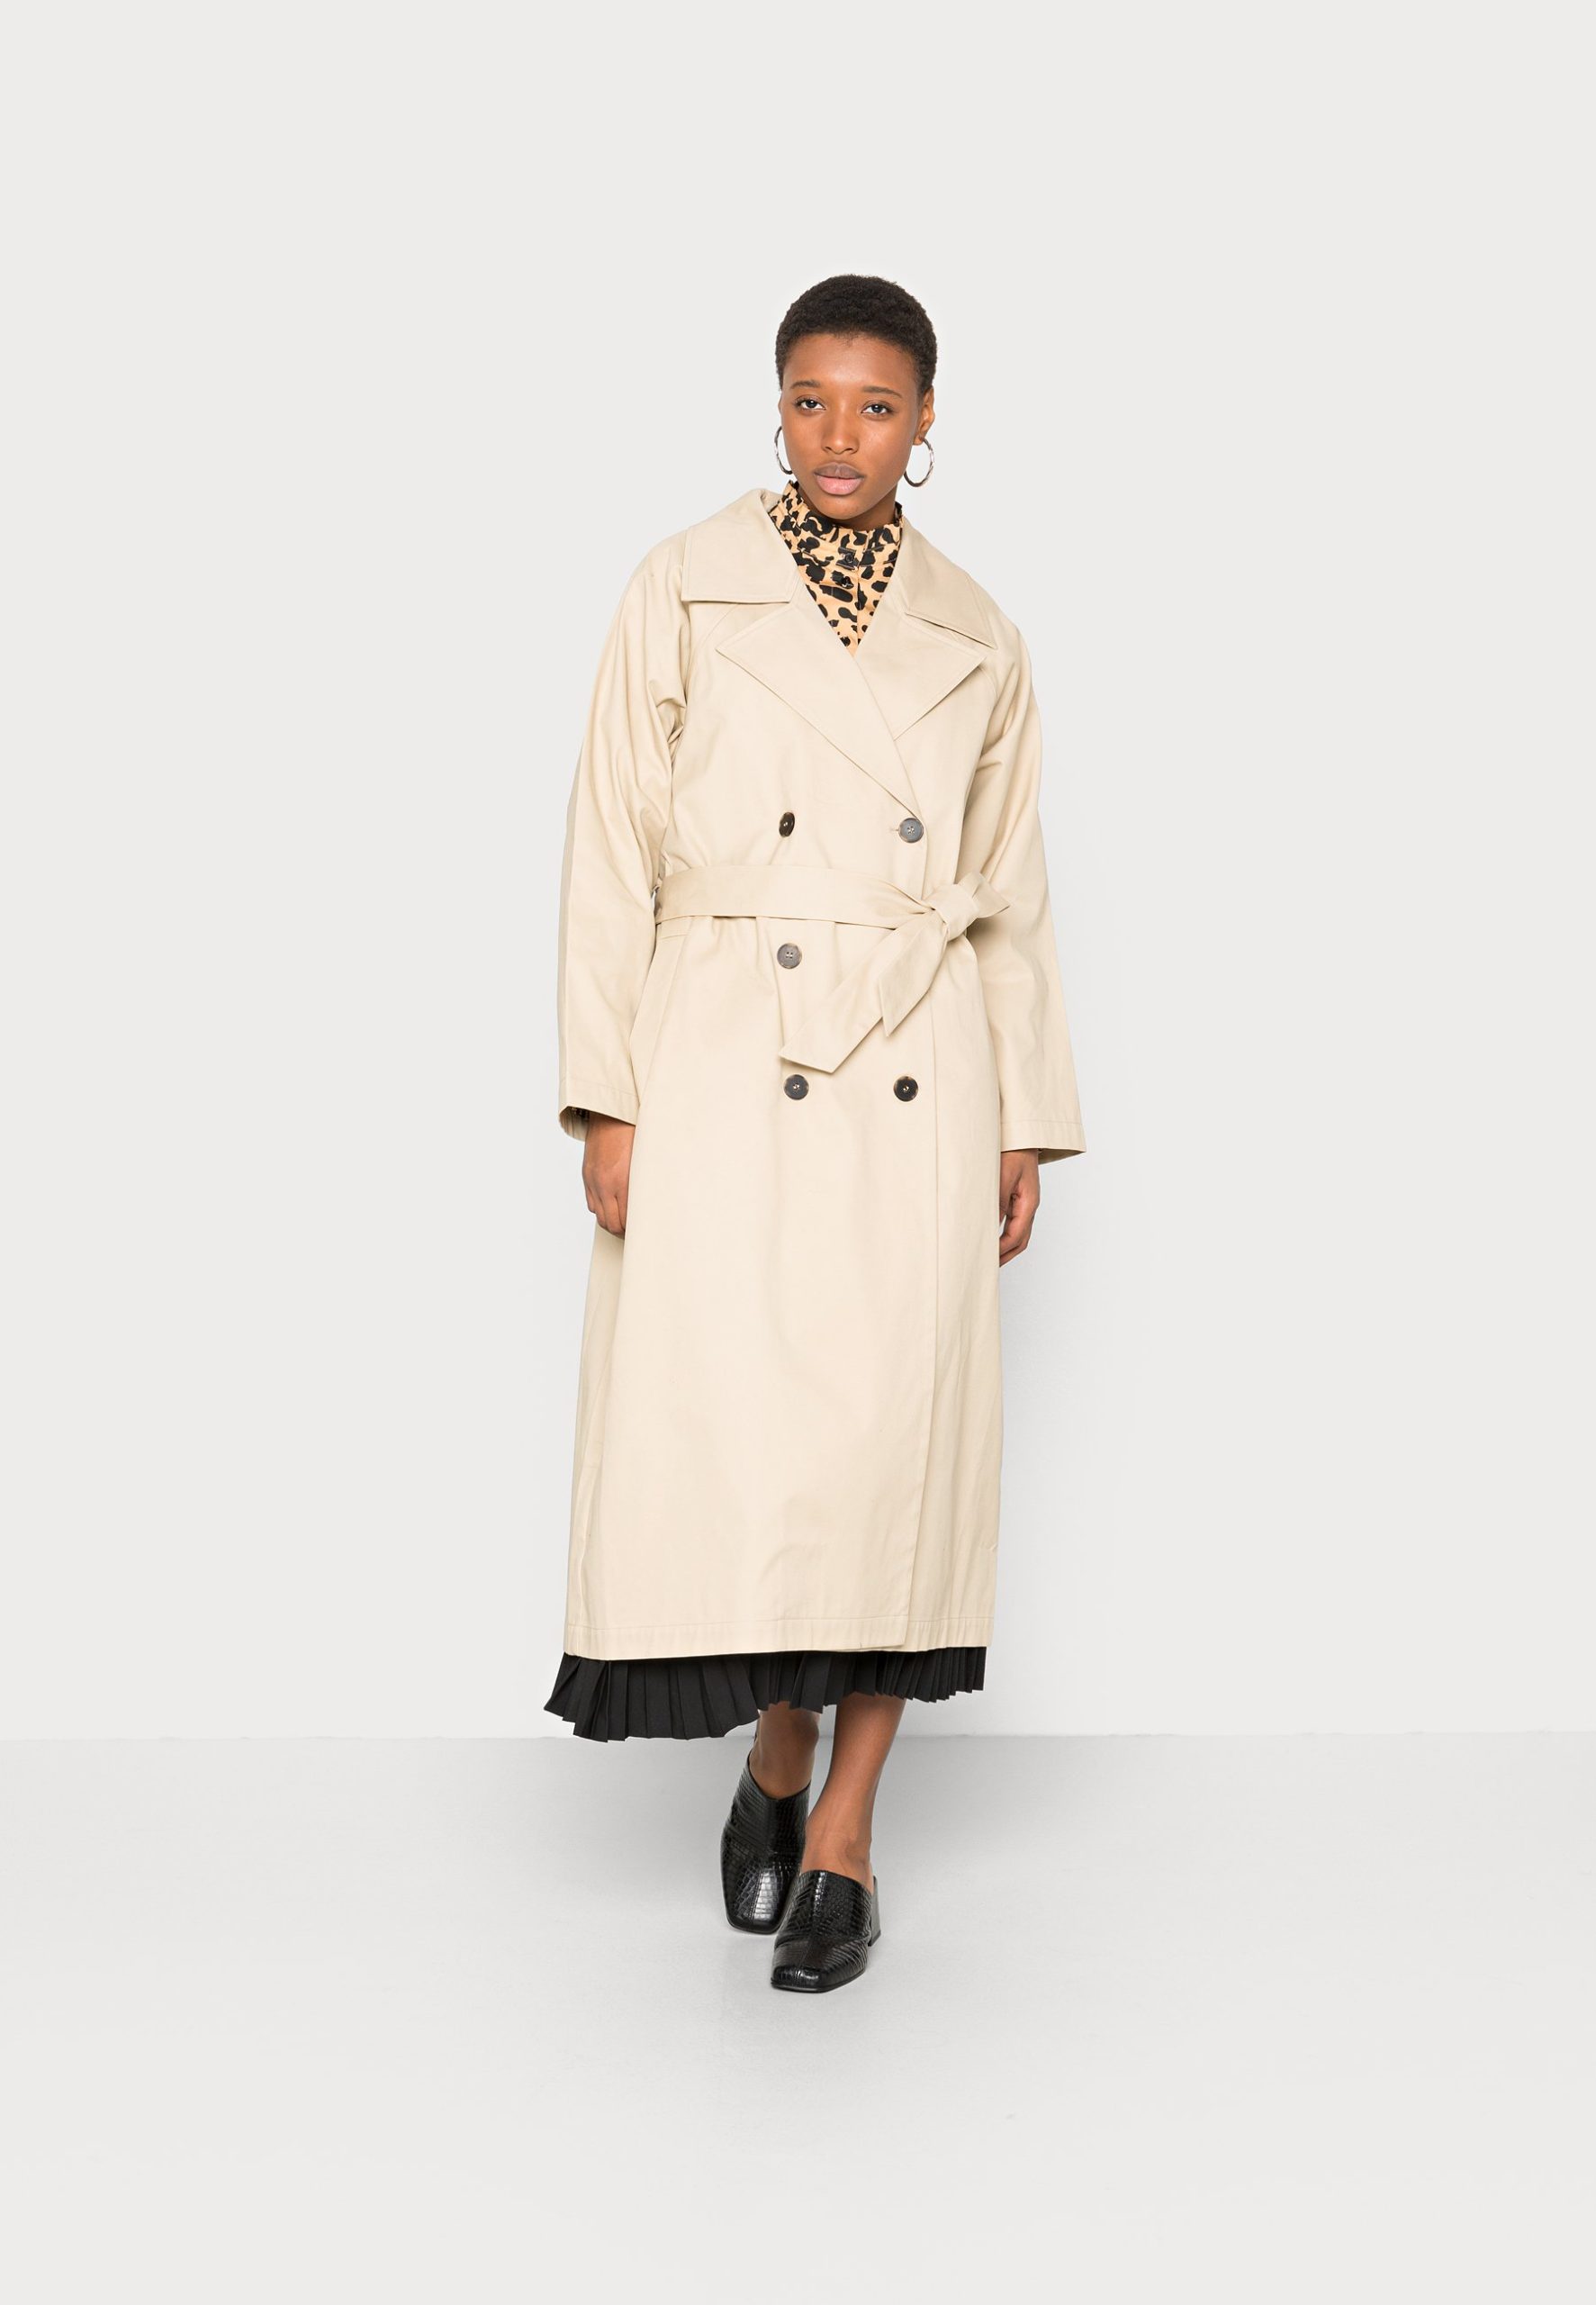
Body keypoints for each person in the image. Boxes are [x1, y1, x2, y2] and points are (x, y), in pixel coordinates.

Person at [544, 273, 1086, 1993]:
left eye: (874, 405)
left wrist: (1023, 1118)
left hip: (917, 1062)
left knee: (893, 1450)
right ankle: (776, 1750)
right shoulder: (681, 585)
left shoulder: (979, 633)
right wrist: (606, 1094)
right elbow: (606, 848)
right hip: (722, 1053)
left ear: (925, 426)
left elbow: (1010, 895)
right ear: (773, 409)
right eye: (808, 399)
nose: (838, 434)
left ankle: (842, 1828)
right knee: (758, 1446)